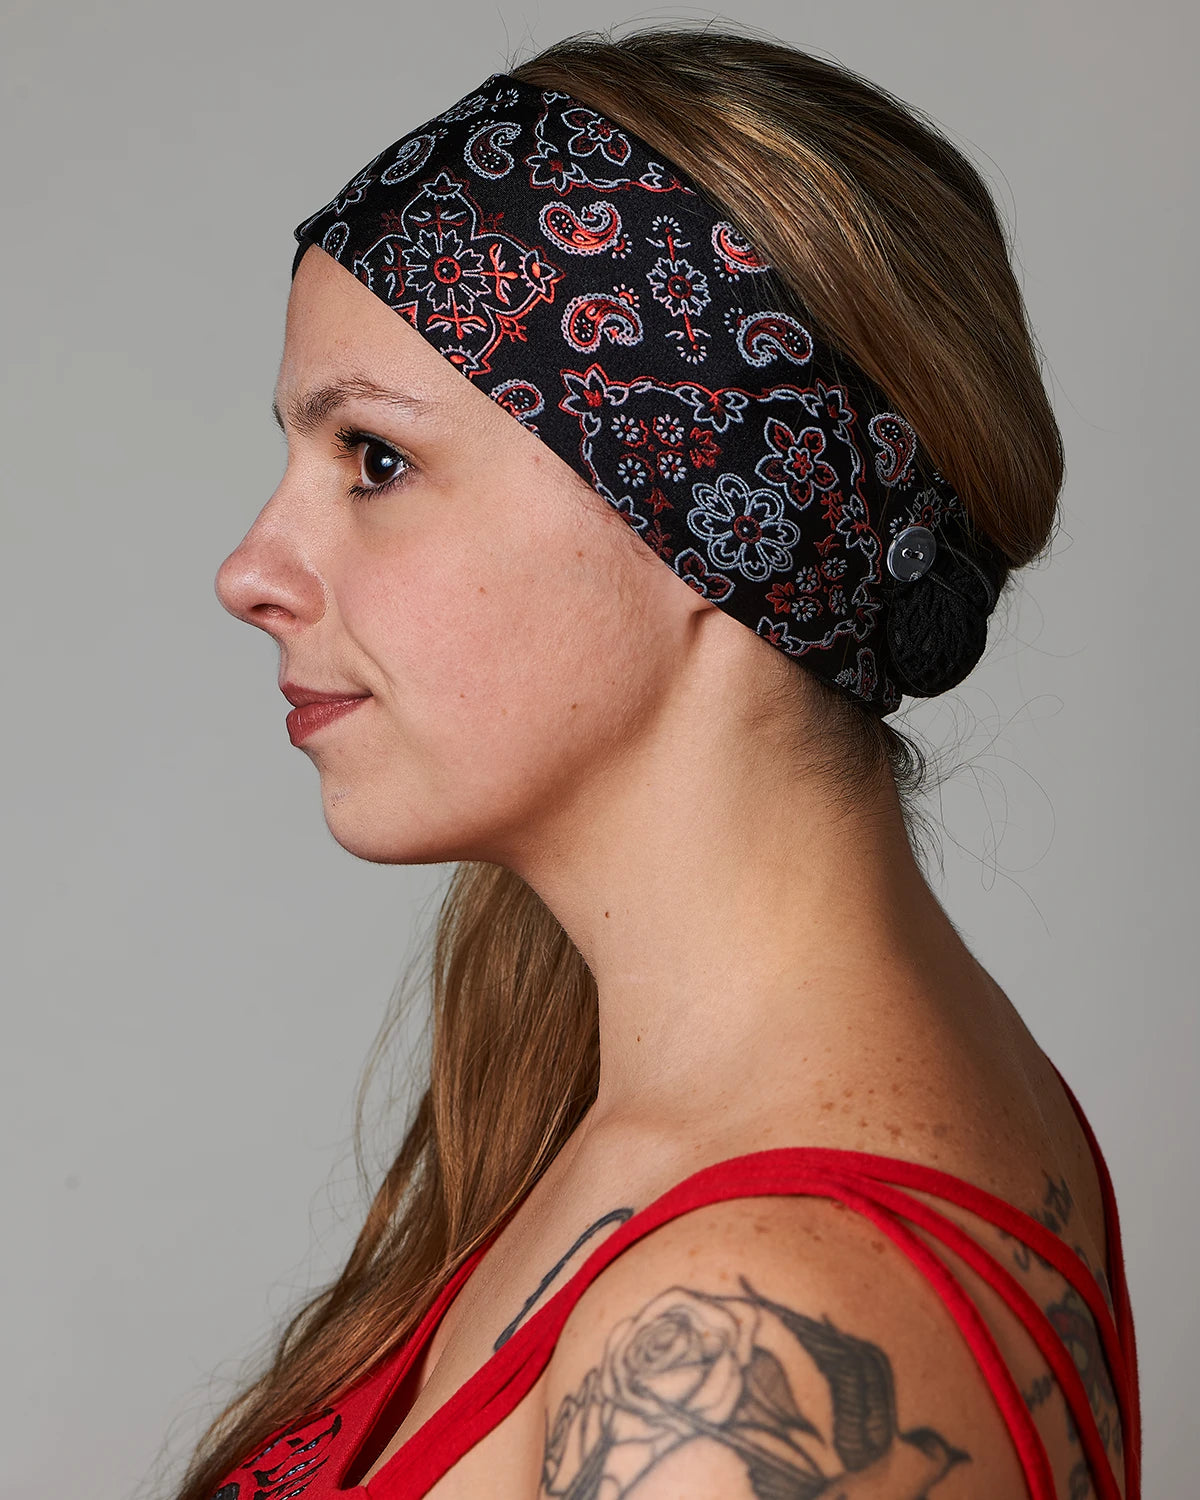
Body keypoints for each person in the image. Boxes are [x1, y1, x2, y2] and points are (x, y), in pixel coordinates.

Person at [196, 23, 1139, 1500]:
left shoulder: (742, 1335)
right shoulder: (674, 1100)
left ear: (705, 509)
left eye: (376, 460)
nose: (252, 570)